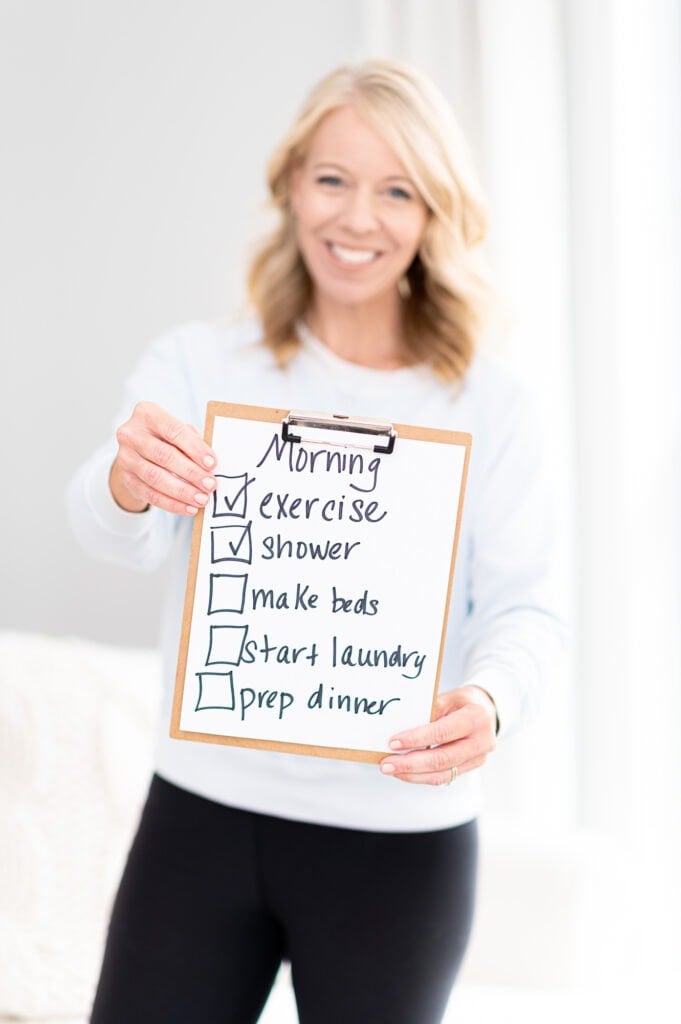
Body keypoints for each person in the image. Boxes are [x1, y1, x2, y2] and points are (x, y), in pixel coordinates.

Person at [67, 59, 562, 1024]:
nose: (357, 218)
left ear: (434, 213)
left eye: (397, 190)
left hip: (398, 839)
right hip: (201, 811)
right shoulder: (201, 364)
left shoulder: (493, 406)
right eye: (332, 179)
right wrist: (129, 478)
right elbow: (109, 525)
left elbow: (527, 609)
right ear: (291, 182)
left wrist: (492, 704)